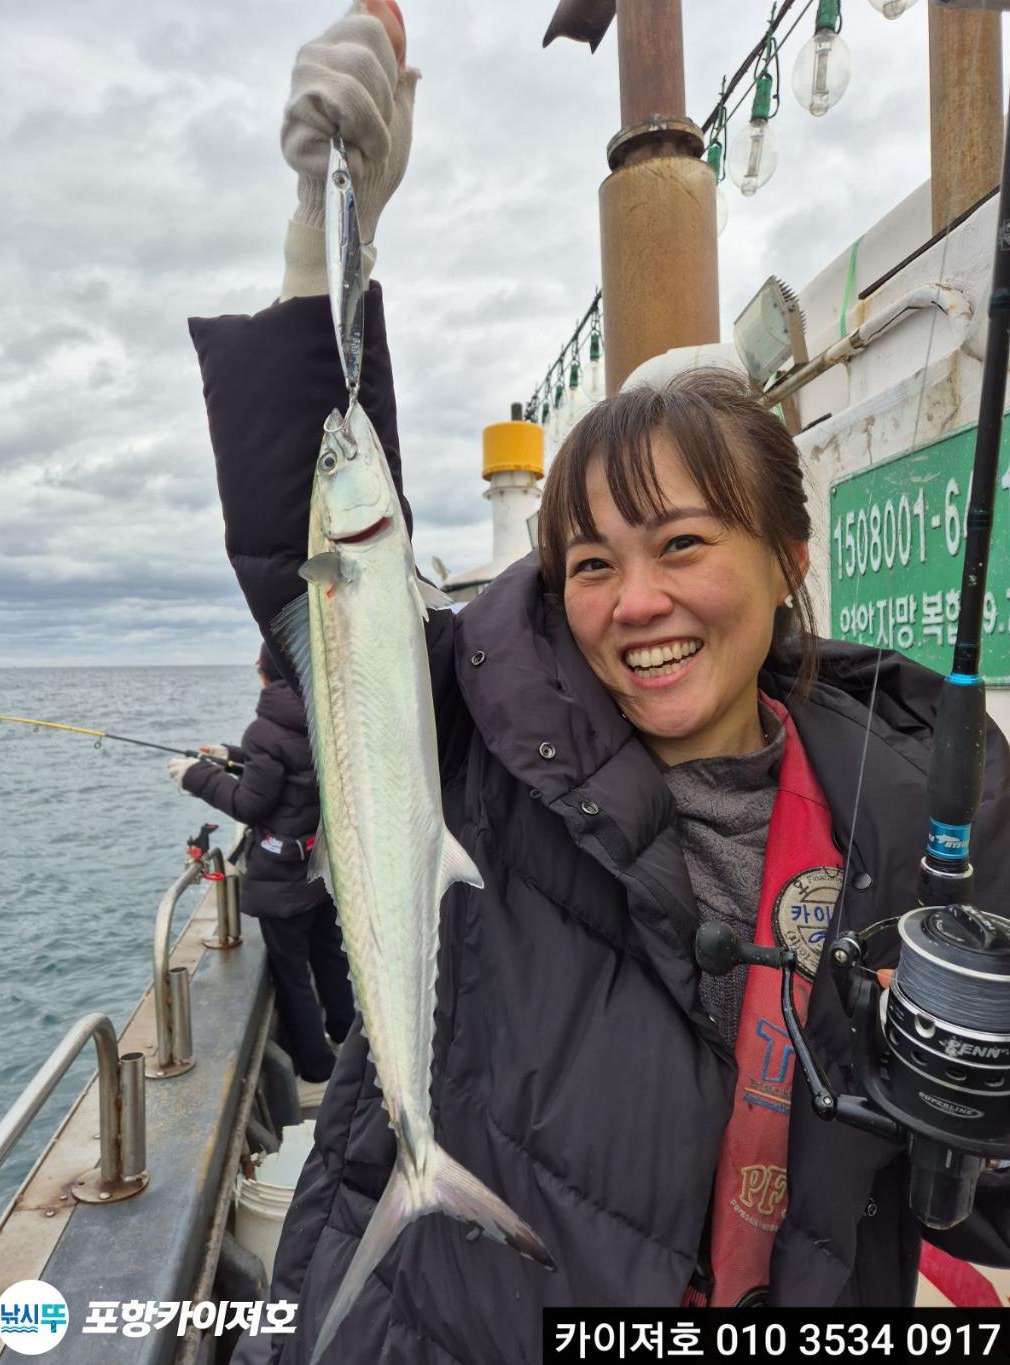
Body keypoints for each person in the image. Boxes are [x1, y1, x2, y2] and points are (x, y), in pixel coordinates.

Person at [189, 5, 1010, 1360]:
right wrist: (322, 228)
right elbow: (314, 572)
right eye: (589, 560)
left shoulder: (921, 804)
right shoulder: (488, 725)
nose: (635, 604)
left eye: (683, 545)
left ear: (787, 556)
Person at [168, 644, 353, 1082]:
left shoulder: (266, 730)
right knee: (330, 956)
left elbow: (251, 802)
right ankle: (348, 1036)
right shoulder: (323, 716)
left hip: (283, 876)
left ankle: (316, 1067)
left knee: (292, 976)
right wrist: (228, 756)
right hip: (324, 868)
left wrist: (196, 776)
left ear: (262, 672)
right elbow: (289, 769)